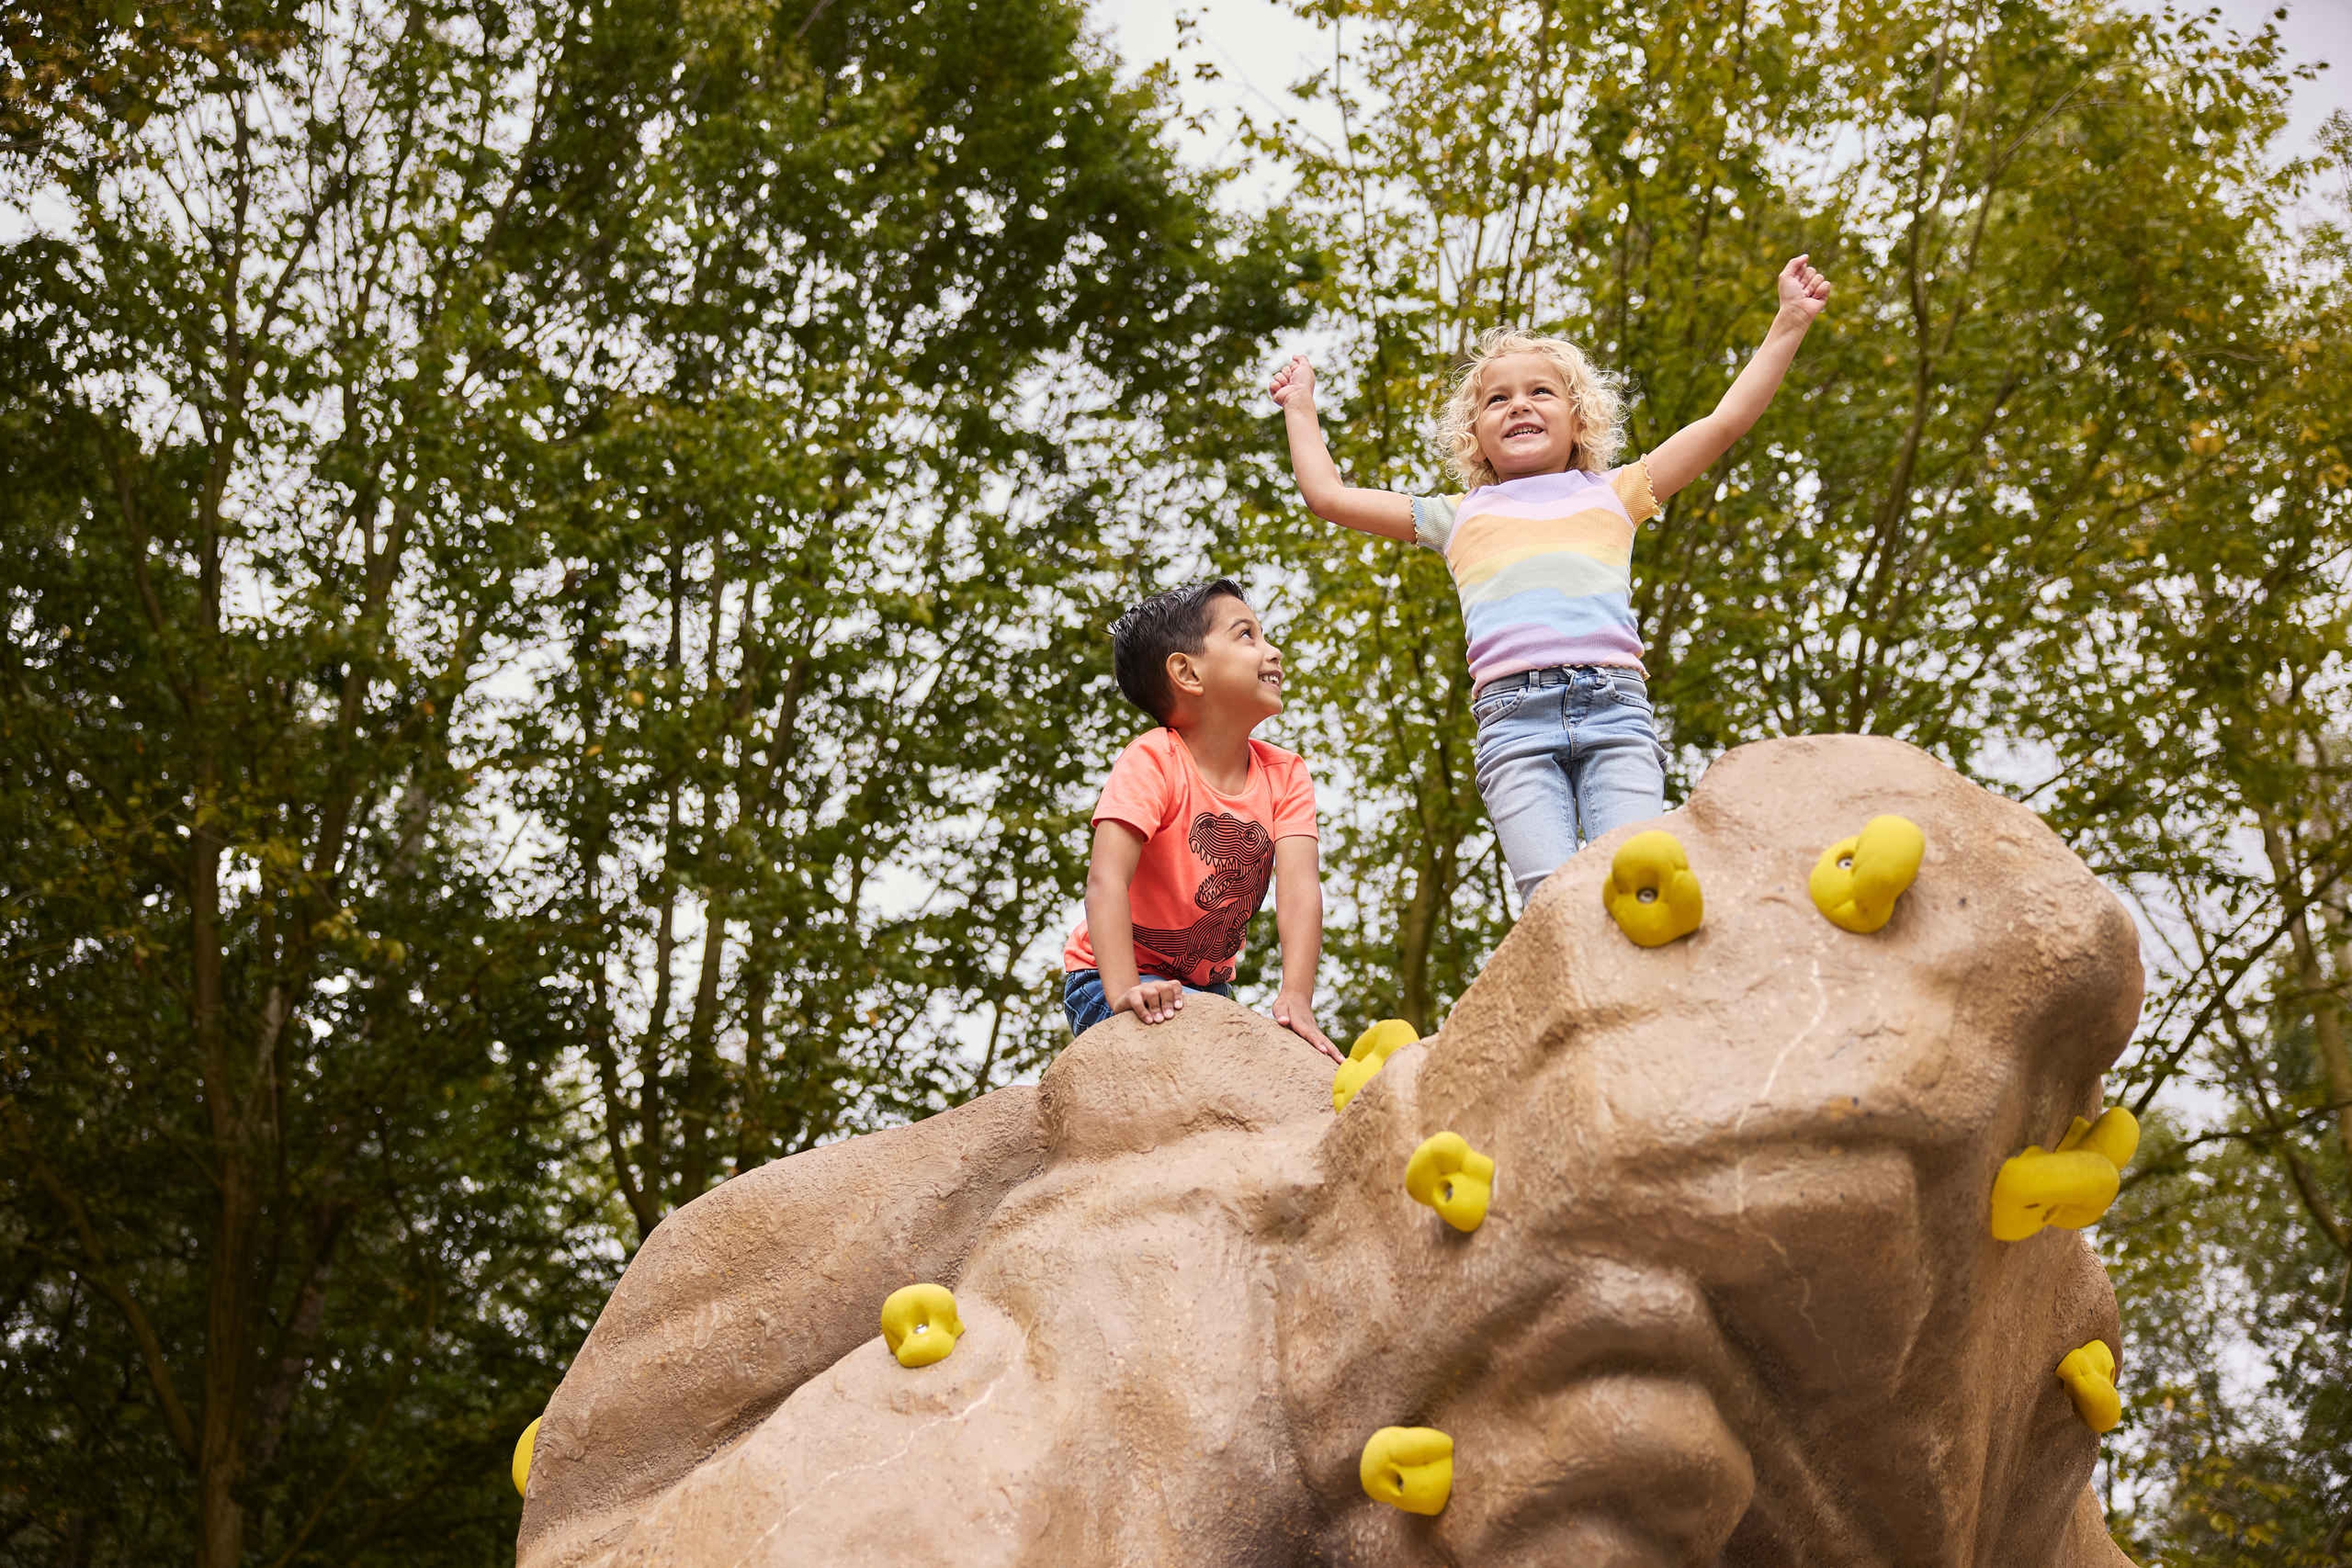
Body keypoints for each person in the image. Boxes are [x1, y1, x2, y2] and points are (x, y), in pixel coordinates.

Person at [1267, 255, 1832, 902]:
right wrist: (1301, 406)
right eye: (1497, 400)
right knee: (1551, 899)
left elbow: (1723, 423)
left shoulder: (1618, 493)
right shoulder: (1458, 516)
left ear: (1578, 418)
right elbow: (1329, 496)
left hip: (1616, 711)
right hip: (1513, 723)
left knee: (1641, 874)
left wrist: (1788, 322)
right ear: (1475, 435)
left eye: (1540, 392)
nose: (1519, 407)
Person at [1061, 580, 1341, 1061]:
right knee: (1203, 1051)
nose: (1273, 652)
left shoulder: (1286, 774)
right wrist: (1124, 989)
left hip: (1206, 991)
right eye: (1247, 635)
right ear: (1187, 672)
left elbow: (1300, 889)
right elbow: (1105, 879)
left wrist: (1296, 997)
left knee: (1256, 1060)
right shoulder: (1153, 760)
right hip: (1107, 976)